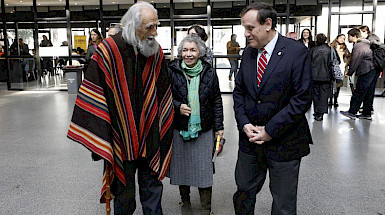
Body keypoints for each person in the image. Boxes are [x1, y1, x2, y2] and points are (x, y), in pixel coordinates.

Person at [67, 2, 174, 214]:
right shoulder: (108, 50)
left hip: (150, 132)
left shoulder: (156, 51)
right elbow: (93, 91)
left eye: (156, 26)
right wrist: (103, 134)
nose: (155, 32)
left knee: (152, 189)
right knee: (124, 195)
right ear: (133, 26)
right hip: (120, 135)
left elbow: (162, 91)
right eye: (149, 27)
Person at [233, 3, 312, 214]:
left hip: (285, 141)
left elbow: (301, 99)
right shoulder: (248, 53)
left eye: (250, 28)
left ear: (268, 24)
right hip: (250, 141)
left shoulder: (296, 52)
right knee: (243, 193)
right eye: (244, 28)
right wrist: (244, 123)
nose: (246, 33)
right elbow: (239, 92)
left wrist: (269, 130)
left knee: (283, 202)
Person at [168, 35, 224, 215]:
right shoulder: (171, 71)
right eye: (185, 50)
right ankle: (186, 202)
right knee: (182, 168)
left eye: (192, 50)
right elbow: (163, 98)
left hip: (204, 128)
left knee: (204, 169)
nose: (188, 54)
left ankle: (206, 208)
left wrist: (219, 127)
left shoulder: (209, 71)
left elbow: (216, 100)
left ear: (200, 52)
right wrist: (177, 106)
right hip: (180, 128)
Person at [340, 28, 377, 120]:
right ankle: (366, 113)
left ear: (355, 36)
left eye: (349, 36)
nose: (348, 38)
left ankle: (352, 112)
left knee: (359, 92)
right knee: (368, 93)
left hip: (366, 70)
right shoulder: (367, 43)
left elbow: (355, 60)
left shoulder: (359, 45)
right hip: (373, 70)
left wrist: (350, 72)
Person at [309, 33, 335, 121]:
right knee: (324, 95)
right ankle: (321, 112)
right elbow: (336, 61)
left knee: (315, 94)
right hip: (326, 76)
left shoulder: (312, 50)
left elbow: (308, 62)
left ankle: (316, 111)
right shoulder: (330, 50)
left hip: (314, 76)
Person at [329, 34, 351, 107]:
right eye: (341, 38)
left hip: (340, 67)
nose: (342, 39)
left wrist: (345, 64)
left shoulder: (345, 48)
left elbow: (349, 57)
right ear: (337, 38)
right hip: (331, 66)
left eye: (344, 38)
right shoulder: (330, 46)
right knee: (331, 83)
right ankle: (330, 100)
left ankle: (335, 100)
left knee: (338, 84)